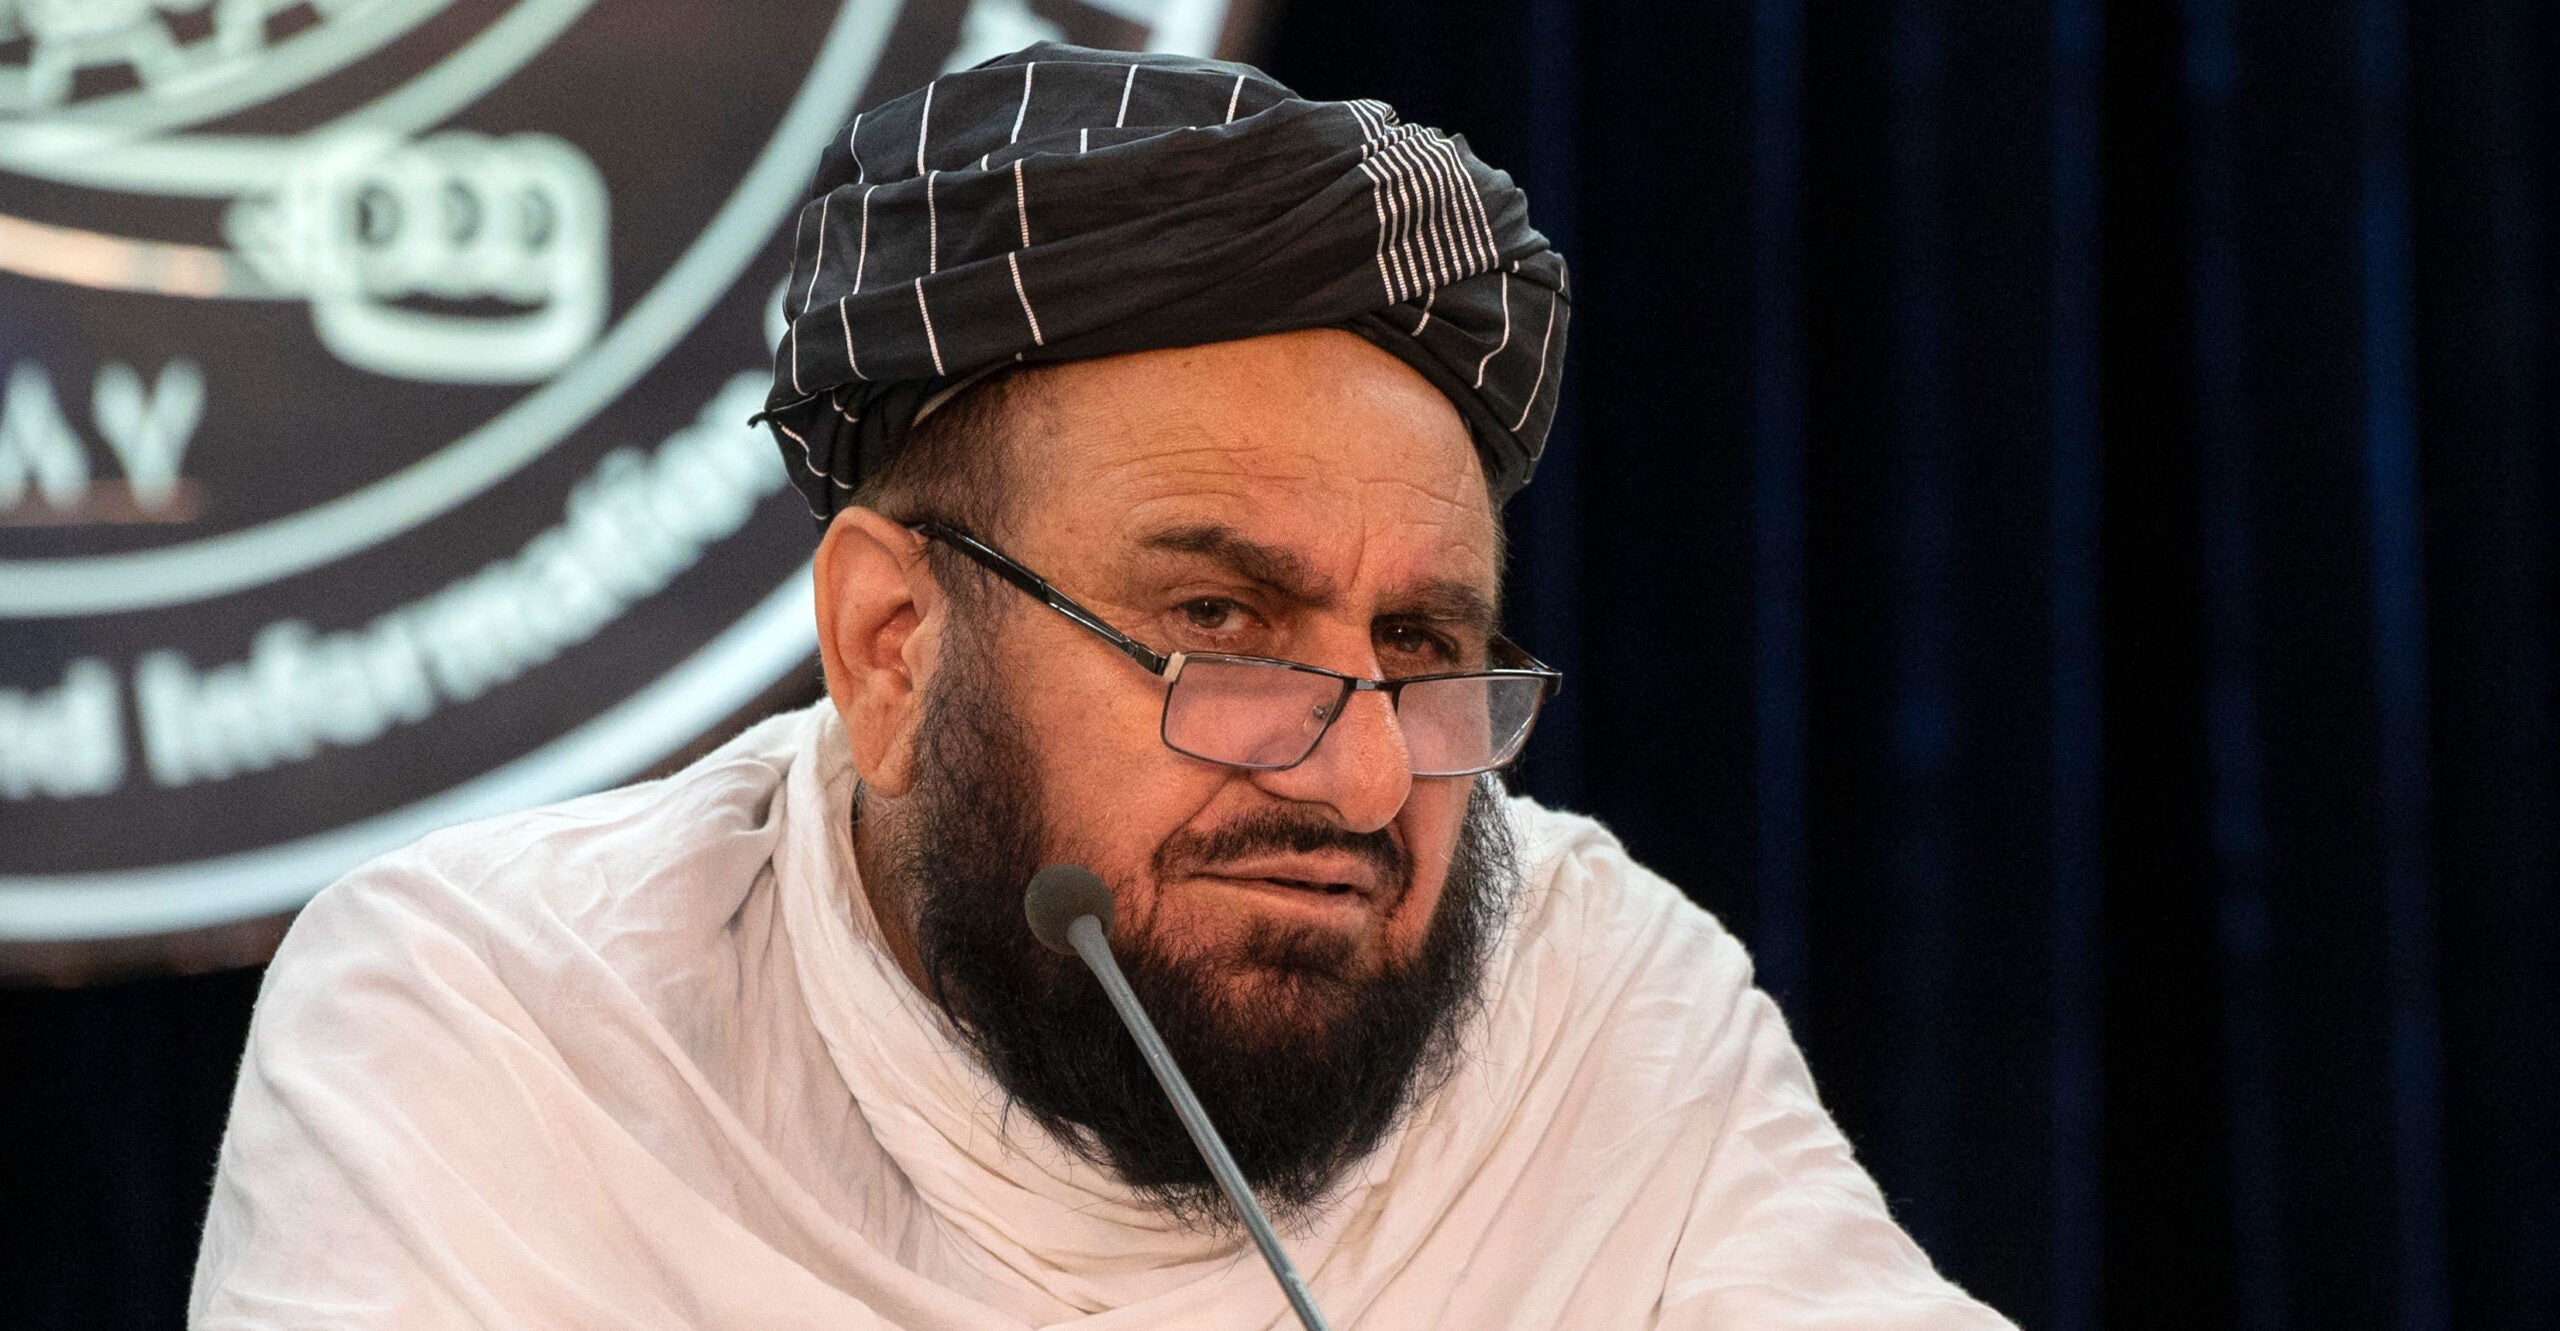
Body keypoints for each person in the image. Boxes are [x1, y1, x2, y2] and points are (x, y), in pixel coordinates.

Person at [192, 44, 2012, 1329]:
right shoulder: (499, 1020)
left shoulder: (1600, 1011)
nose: (1361, 782)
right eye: (1221, 622)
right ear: (891, 648)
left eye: (1420, 650)